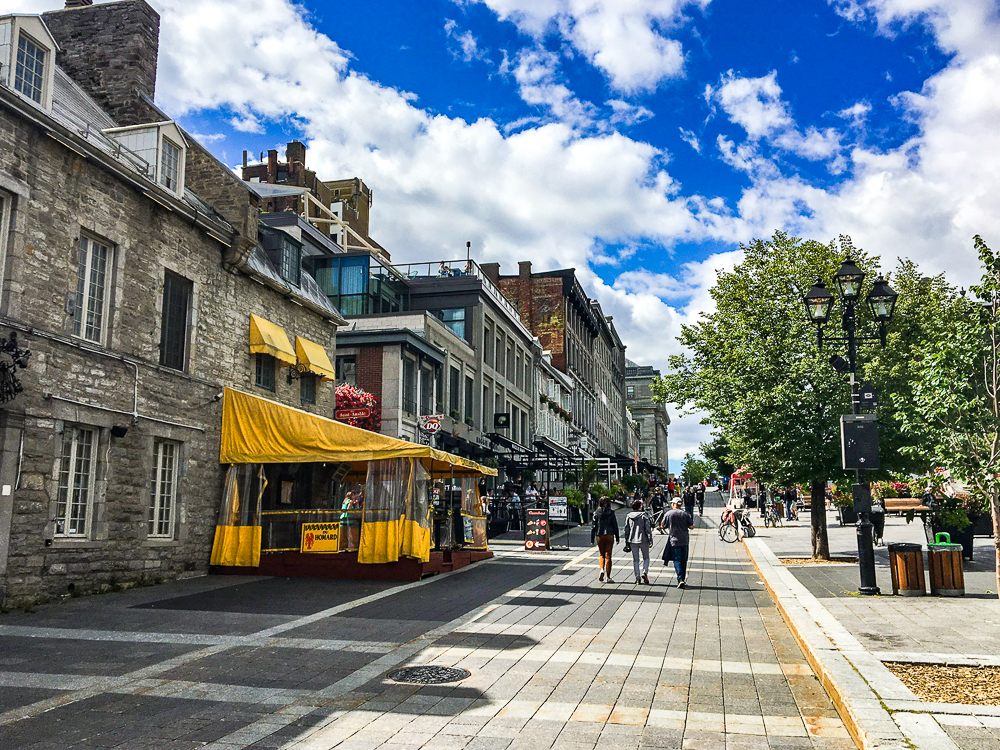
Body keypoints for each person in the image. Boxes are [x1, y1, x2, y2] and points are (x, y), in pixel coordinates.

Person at [662, 497, 695, 587]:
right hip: (684, 540)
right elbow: (691, 526)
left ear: (673, 504)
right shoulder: (685, 514)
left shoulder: (668, 514)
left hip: (674, 540)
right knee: (684, 560)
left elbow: (663, 525)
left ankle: (680, 578)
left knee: (677, 559)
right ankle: (682, 579)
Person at [623, 499, 653, 584]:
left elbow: (626, 529)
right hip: (643, 539)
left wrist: (627, 541)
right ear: (640, 507)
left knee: (635, 559)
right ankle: (645, 572)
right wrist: (650, 540)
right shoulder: (644, 515)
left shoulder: (629, 516)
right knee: (646, 557)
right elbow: (648, 529)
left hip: (632, 540)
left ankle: (637, 577)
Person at [591, 497, 620, 582]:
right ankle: (608, 577)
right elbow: (615, 525)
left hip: (600, 535)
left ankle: (601, 570)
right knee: (608, 556)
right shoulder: (611, 513)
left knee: (601, 554)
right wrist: (617, 537)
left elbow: (593, 527)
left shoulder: (596, 513)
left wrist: (592, 539)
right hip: (610, 534)